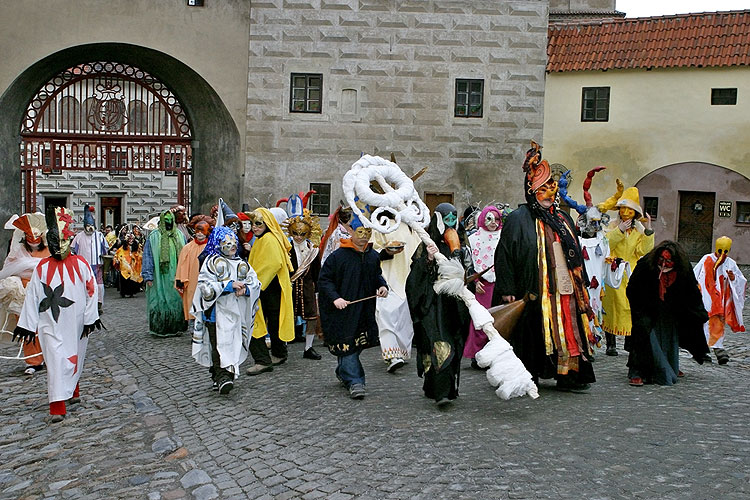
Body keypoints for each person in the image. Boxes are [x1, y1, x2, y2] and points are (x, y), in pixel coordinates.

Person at [492, 142, 596, 392]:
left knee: (568, 331)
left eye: (552, 191)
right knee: (530, 333)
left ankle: (568, 375)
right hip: (532, 290)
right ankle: (527, 375)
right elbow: (504, 255)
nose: (550, 196)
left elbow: (576, 254)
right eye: (543, 191)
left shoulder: (564, 219)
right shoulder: (518, 219)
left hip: (565, 293)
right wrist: (507, 287)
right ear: (531, 191)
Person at [13, 206, 102, 423]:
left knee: (74, 357)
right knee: (54, 360)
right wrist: (27, 324)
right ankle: (57, 405)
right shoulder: (42, 267)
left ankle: (73, 390)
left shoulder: (80, 264)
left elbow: (92, 290)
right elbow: (34, 295)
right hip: (50, 322)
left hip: (76, 321)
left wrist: (91, 317)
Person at [406, 203, 470, 406]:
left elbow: (468, 272)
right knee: (438, 344)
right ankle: (439, 391)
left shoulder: (461, 245)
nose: (451, 223)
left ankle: (447, 388)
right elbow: (414, 278)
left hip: (454, 307)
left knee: (454, 343)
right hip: (433, 306)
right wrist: (429, 259)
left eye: (454, 218)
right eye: (447, 219)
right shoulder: (427, 244)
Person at [318, 214, 388, 399]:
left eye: (368, 232)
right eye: (360, 231)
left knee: (355, 344)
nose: (364, 235)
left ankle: (343, 371)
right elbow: (324, 280)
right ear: (351, 232)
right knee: (347, 343)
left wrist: (382, 285)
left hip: (364, 310)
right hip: (342, 311)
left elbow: (377, 275)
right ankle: (355, 381)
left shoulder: (372, 256)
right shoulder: (338, 257)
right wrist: (335, 298)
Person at [626, 241, 709, 386]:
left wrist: (698, 312)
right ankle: (638, 372)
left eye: (668, 261)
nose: (664, 264)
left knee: (669, 337)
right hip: (646, 308)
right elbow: (633, 288)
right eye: (661, 260)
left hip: (670, 309)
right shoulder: (646, 265)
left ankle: (669, 365)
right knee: (644, 336)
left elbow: (692, 292)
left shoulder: (683, 268)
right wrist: (640, 310)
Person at [191, 227, 261, 394]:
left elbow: (255, 282)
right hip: (215, 315)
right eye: (227, 243)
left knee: (232, 343)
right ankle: (223, 377)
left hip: (236, 314)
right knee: (218, 346)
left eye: (233, 242)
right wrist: (228, 286)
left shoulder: (242, 263)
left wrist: (247, 289)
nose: (232, 246)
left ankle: (221, 374)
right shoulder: (211, 262)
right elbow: (205, 286)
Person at [600, 186, 654, 355]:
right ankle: (610, 343)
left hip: (631, 273)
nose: (625, 212)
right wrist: (620, 231)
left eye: (629, 209)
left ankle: (630, 341)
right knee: (611, 306)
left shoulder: (639, 231)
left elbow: (644, 251)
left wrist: (649, 232)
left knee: (630, 307)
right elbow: (606, 244)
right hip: (613, 271)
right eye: (622, 208)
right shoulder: (612, 227)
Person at [245, 208, 295, 375]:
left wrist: (255, 285)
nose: (254, 227)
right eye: (253, 224)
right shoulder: (263, 238)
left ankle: (263, 360)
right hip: (267, 289)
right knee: (273, 321)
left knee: (256, 321)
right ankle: (278, 353)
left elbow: (272, 264)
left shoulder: (268, 240)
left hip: (267, 289)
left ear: (267, 224)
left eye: (258, 223)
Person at [0, 213, 50, 375]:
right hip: (21, 294)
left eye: (36, 236)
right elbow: (8, 269)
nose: (33, 240)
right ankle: (33, 361)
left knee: (45, 327)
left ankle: (49, 358)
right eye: (29, 236)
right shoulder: (19, 251)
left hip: (43, 293)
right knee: (26, 327)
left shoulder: (49, 251)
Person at [371, 214, 421, 373]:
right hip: (388, 277)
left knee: (404, 320)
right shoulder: (382, 224)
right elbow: (372, 249)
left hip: (410, 279)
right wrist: (386, 251)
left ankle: (402, 353)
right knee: (386, 314)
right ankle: (392, 355)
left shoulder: (414, 225)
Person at [693, 236, 746, 364]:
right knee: (704, 323)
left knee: (718, 323)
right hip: (706, 297)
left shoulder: (730, 263)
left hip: (721, 300)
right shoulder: (706, 259)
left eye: (725, 251)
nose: (722, 254)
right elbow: (695, 274)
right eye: (720, 251)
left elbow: (741, 280)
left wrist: (733, 279)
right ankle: (702, 351)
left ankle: (718, 349)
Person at [463, 205, 503, 367]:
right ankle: (476, 353)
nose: (493, 223)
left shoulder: (503, 236)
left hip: (499, 284)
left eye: (497, 219)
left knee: (498, 319)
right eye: (489, 219)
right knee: (480, 319)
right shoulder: (474, 238)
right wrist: (475, 281)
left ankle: (495, 354)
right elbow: (469, 262)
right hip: (482, 284)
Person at [282, 209, 323, 360]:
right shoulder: (285, 248)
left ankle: (308, 347)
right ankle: (282, 347)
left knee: (311, 317)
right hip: (289, 287)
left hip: (308, 288)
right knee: (287, 316)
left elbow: (318, 272)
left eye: (302, 234)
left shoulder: (313, 250)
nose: (298, 237)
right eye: (295, 233)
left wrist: (318, 290)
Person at [142, 210, 187, 337]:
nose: (168, 224)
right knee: (159, 300)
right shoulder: (154, 236)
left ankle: (177, 327)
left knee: (176, 300)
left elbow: (185, 256)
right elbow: (148, 257)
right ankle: (160, 328)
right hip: (159, 277)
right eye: (166, 221)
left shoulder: (179, 235)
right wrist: (148, 276)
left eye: (170, 221)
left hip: (176, 275)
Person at [175, 215, 214, 326]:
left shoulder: (211, 248)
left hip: (207, 283)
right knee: (192, 304)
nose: (199, 233)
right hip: (191, 283)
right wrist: (180, 280)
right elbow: (182, 265)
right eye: (197, 231)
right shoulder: (187, 248)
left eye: (202, 231)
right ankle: (194, 329)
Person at [72, 203, 109, 313]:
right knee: (84, 285)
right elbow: (73, 249)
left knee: (99, 286)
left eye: (91, 225)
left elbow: (105, 248)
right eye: (88, 225)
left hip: (97, 264)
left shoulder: (99, 236)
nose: (90, 228)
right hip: (83, 266)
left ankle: (98, 303)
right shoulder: (79, 236)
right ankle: (85, 303)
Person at [112, 227, 143, 297]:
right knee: (124, 280)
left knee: (132, 280)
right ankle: (123, 293)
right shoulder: (122, 248)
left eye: (132, 239)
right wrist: (117, 260)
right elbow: (118, 255)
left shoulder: (137, 247)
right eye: (129, 239)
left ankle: (132, 292)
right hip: (125, 267)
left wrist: (136, 257)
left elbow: (140, 254)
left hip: (133, 267)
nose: (131, 241)